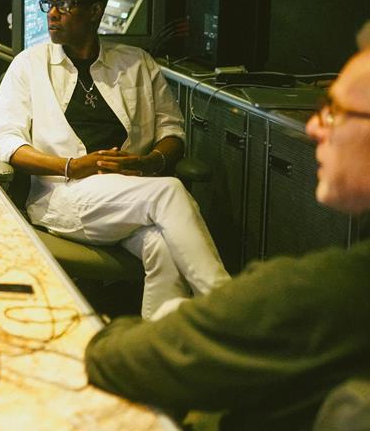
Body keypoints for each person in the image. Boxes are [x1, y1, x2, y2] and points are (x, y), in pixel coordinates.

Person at [86, 29, 370, 429]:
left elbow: (113, 359)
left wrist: (185, 323)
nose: (313, 128)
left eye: (334, 110)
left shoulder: (328, 292)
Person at [0, 0, 229, 319]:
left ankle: (157, 352)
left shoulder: (137, 63)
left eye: (65, 5)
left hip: (130, 196)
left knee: (162, 248)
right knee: (170, 191)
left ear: (94, 11)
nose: (52, 14)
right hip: (64, 195)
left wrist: (148, 163)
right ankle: (228, 309)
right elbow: (6, 143)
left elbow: (172, 133)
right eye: (49, 4)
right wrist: (71, 166)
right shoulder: (29, 64)